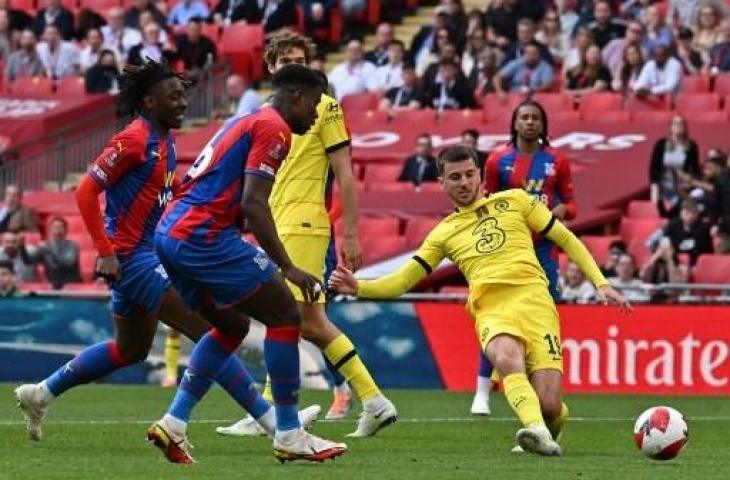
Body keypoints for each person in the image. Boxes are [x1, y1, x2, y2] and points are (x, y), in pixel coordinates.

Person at [14, 60, 319, 456]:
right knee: (213, 329)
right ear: (148, 100)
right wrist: (105, 251)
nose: (182, 103)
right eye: (173, 96)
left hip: (146, 252)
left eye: (184, 95)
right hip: (131, 257)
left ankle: (41, 393)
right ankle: (270, 420)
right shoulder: (133, 139)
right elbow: (85, 192)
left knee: (131, 350)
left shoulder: (165, 141)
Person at [329, 145, 630, 456]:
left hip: (537, 303)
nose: (464, 182)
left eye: (470, 174)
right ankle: (536, 429)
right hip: (492, 309)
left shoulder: (516, 201)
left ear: (480, 177)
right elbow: (403, 280)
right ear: (442, 182)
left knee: (551, 406)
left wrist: (601, 283)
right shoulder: (443, 233)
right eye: (455, 177)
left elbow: (566, 238)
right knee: (505, 355)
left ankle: (544, 426)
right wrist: (359, 287)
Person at [148, 63, 347, 464]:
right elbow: (253, 203)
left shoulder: (246, 119)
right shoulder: (274, 128)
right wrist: (288, 266)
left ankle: (174, 422)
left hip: (171, 233)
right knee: (287, 315)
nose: (316, 114)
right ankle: (289, 432)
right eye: (316, 104)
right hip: (203, 235)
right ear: (296, 97)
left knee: (232, 324)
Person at [217, 31, 396, 438]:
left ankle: (281, 413)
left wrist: (350, 232)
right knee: (296, 320)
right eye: (285, 61)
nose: (295, 67)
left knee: (296, 319)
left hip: (303, 223)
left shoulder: (324, 107)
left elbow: (346, 173)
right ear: (271, 66)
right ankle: (365, 401)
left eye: (301, 58)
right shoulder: (266, 112)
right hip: (276, 222)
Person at [475, 100, 577, 416]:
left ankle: (535, 394)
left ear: (543, 124)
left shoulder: (557, 161)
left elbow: (573, 206)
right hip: (508, 252)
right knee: (496, 317)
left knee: (539, 323)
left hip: (544, 253)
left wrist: (560, 210)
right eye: (524, 117)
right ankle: (481, 392)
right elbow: (484, 204)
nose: (530, 122)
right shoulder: (497, 161)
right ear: (515, 124)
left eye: (535, 118)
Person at [649, 115, 700, 218]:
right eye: (676, 123)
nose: (678, 126)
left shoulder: (691, 145)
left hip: (681, 187)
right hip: (663, 186)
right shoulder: (661, 144)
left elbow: (695, 170)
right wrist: (654, 187)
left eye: (681, 124)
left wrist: (688, 183)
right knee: (659, 209)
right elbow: (653, 168)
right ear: (670, 127)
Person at [38, 216, 81, 289]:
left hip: (71, 286)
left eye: (60, 227)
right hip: (52, 286)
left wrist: (49, 250)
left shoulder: (72, 246)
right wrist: (21, 247)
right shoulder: (46, 246)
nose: (57, 230)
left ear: (66, 230)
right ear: (50, 230)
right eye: (55, 227)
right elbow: (29, 260)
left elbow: (68, 262)